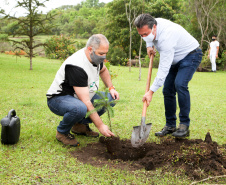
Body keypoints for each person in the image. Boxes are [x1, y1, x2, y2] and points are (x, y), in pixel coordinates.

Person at [134, 14, 202, 138]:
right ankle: (170, 125)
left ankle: (184, 126)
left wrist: (151, 91)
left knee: (180, 84)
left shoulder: (166, 37)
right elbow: (148, 37)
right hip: (174, 58)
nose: (144, 37)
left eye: (145, 34)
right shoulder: (151, 26)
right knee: (167, 90)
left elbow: (163, 69)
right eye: (141, 35)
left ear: (154, 27)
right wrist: (149, 46)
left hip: (190, 55)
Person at [46, 34, 119, 146]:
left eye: (105, 53)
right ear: (90, 49)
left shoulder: (95, 58)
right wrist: (100, 125)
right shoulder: (77, 65)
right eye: (101, 53)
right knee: (79, 108)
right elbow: (85, 102)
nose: (104, 57)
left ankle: (80, 126)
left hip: (82, 97)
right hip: (59, 98)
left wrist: (111, 88)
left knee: (109, 99)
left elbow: (103, 70)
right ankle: (62, 132)